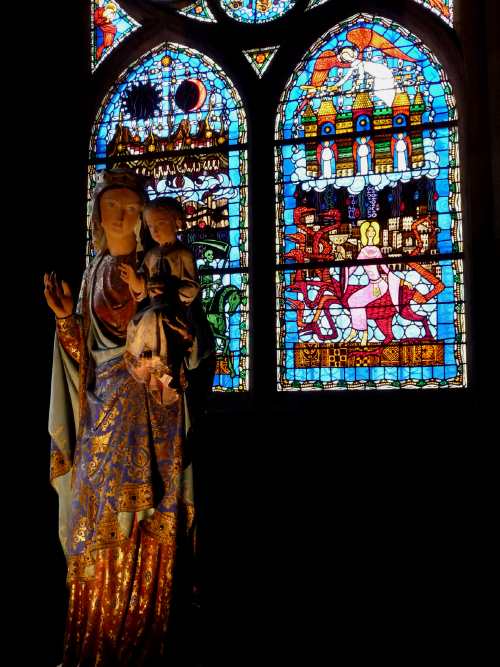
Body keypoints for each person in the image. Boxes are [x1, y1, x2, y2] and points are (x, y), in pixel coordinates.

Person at [45, 169, 210, 665]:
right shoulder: (94, 269)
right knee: (92, 530)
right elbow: (84, 362)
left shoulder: (160, 265)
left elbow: (192, 339)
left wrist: (158, 314)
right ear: (96, 214)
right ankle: (96, 643)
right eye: (111, 206)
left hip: (152, 419)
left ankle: (148, 643)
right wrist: (65, 319)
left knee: (147, 522)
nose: (121, 215)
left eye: (131, 207)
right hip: (99, 423)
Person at [120, 198, 201, 406]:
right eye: (151, 226)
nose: (155, 231)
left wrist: (170, 289)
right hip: (152, 308)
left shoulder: (183, 254)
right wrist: (135, 281)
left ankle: (162, 367)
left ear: (177, 222)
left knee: (157, 317)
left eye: (160, 224)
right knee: (143, 319)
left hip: (173, 309)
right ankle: (145, 361)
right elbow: (141, 289)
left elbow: (192, 287)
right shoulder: (151, 255)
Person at [344, 220, 404, 346]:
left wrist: (402, 281)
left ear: (375, 233)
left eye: (372, 231)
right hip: (371, 284)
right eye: (368, 231)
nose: (370, 233)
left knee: (358, 302)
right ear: (365, 234)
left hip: (380, 285)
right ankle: (355, 331)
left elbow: (385, 269)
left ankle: (364, 334)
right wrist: (343, 276)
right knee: (352, 300)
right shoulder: (363, 251)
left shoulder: (376, 250)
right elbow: (353, 268)